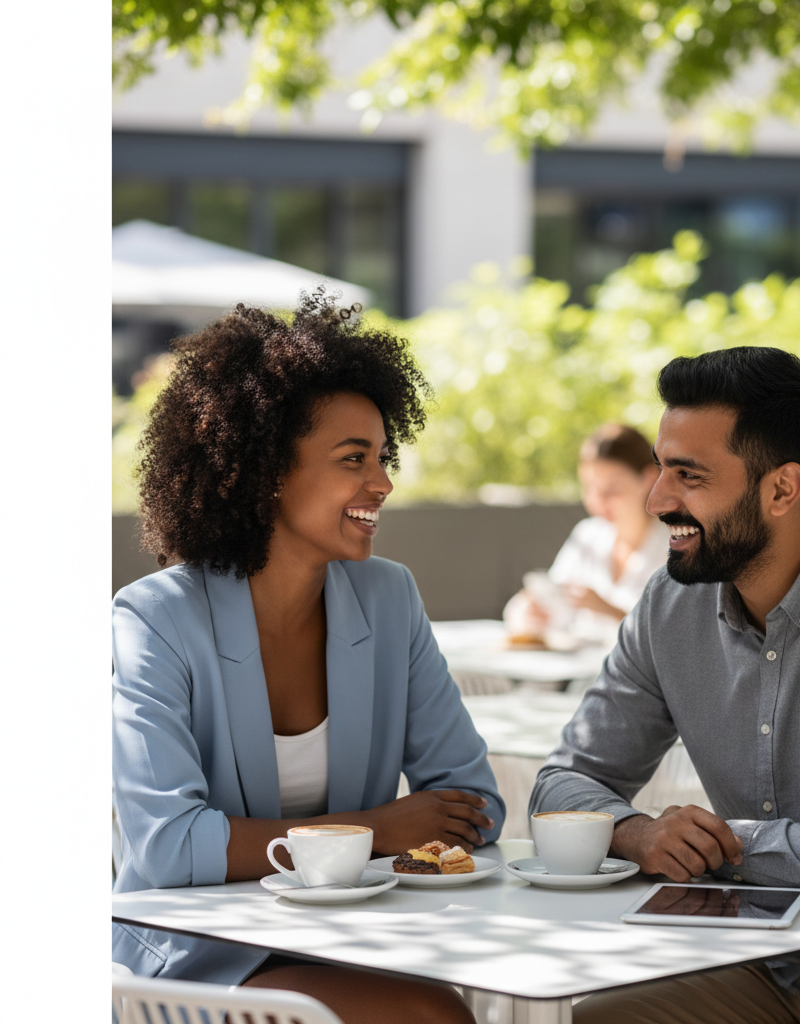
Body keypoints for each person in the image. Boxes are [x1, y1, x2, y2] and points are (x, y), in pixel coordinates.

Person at [112, 292, 505, 1024]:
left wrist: (422, 825)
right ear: (264, 469)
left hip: (357, 940)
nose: (382, 483)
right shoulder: (155, 620)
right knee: (432, 1017)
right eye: (353, 459)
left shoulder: (388, 598)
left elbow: (473, 801)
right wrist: (380, 830)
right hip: (197, 962)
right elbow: (167, 847)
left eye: (382, 458)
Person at [529, 347, 800, 1023]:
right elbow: (563, 782)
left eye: (688, 475)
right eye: (661, 469)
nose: (656, 500)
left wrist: (727, 848)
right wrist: (639, 833)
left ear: (782, 489)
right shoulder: (667, 610)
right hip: (760, 964)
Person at [503, 424, 666, 641]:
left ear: (648, 478)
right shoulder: (588, 536)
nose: (598, 501)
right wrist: (530, 610)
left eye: (612, 489)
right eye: (590, 488)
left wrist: (610, 611)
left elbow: (677, 638)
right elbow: (552, 602)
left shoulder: (676, 545)